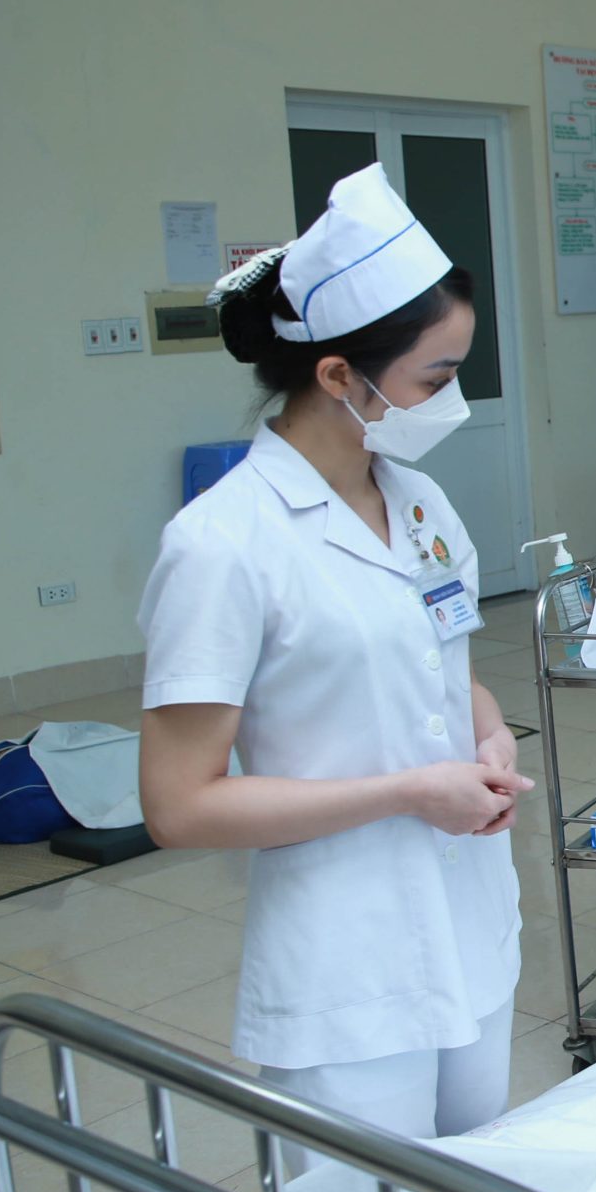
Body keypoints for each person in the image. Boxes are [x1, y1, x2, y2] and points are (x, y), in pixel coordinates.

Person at [136, 164, 532, 1142]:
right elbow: (179, 806)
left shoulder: (419, 503)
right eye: (435, 377)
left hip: (469, 921)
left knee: (478, 1191)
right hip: (349, 960)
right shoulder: (223, 544)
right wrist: (407, 792)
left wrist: (489, 739)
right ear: (337, 376)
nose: (454, 398)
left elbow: (446, 668)